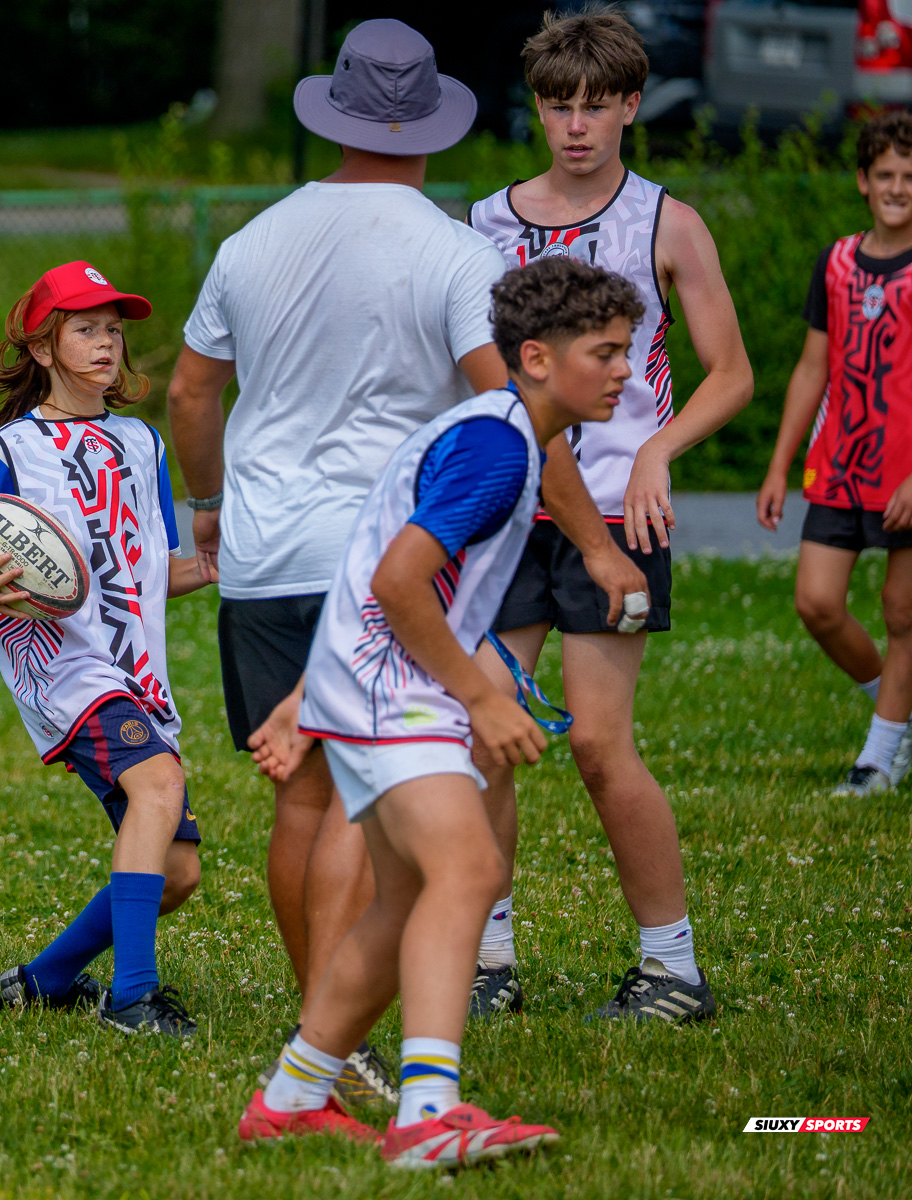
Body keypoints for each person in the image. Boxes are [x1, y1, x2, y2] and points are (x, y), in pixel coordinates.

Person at [166, 17, 646, 1095]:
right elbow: (515, 411)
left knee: (301, 800)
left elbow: (193, 392)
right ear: (431, 128)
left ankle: (322, 1032)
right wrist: (597, 545)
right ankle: (336, 1047)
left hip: (265, 552)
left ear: (334, 116)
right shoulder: (455, 254)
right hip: (389, 557)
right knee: (359, 797)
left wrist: (210, 507)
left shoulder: (252, 242)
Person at [237, 256, 639, 1168]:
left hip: (371, 685)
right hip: (392, 691)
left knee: (409, 897)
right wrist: (482, 696)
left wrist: (311, 693)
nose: (624, 371)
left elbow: (373, 562)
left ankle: (290, 1100)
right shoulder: (499, 448)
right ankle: (426, 1114)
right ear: (536, 358)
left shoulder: (499, 434)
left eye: (626, 350)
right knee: (468, 869)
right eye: (605, 352)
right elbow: (395, 579)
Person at [465, 7, 752, 1022]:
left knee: (596, 745)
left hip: (618, 522)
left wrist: (659, 453)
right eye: (558, 105)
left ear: (632, 105)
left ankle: (672, 968)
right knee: (481, 731)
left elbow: (731, 373)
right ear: (536, 109)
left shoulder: (668, 221)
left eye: (595, 105)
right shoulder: (483, 224)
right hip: (507, 515)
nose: (576, 125)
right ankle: (487, 961)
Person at [0, 260, 216, 1037]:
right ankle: (133, 997)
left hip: (134, 672)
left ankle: (43, 981)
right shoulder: (13, 451)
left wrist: (223, 565)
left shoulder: (142, 444)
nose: (106, 343)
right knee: (158, 784)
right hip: (64, 670)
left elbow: (153, 571)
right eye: (85, 329)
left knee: (176, 873)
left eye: (113, 330)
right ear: (43, 348)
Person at [759, 110, 912, 796]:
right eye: (886, 174)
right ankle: (898, 711)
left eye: (910, 175)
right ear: (862, 181)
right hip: (843, 465)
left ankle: (879, 758)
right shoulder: (838, 262)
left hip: (907, 473)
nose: (898, 187)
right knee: (817, 603)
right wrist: (779, 464)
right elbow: (812, 367)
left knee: (903, 611)